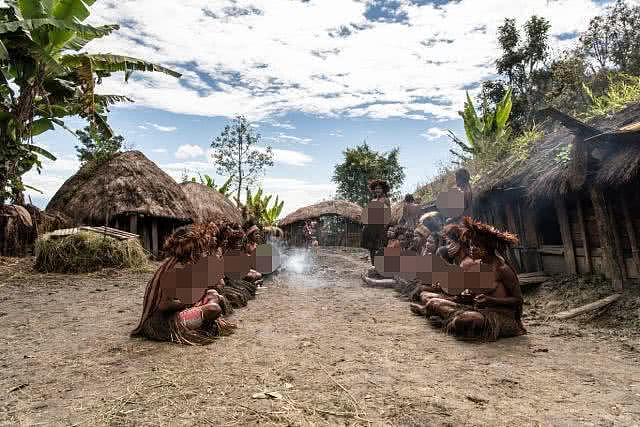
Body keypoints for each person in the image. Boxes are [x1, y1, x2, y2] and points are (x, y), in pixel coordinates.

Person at [423, 217, 526, 341]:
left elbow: (518, 300)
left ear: (487, 248)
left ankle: (449, 322)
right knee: (433, 303)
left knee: (463, 320)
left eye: (476, 245)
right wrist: (467, 296)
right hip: (479, 310)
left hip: (501, 316)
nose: (471, 248)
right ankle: (451, 322)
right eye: (471, 245)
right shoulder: (479, 266)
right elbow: (475, 295)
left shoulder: (502, 269)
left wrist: (490, 300)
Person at [131, 223, 235, 345]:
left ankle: (202, 324)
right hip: (160, 321)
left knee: (213, 294)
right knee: (213, 309)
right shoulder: (175, 269)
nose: (203, 252)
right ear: (191, 249)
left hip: (176, 309)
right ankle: (202, 327)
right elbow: (164, 305)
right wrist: (189, 303)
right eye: (200, 249)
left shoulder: (184, 264)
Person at [361, 179, 391, 266]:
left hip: (381, 227)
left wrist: (385, 227)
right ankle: (373, 266)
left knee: (381, 248)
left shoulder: (385, 200)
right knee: (372, 248)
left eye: (380, 188)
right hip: (371, 227)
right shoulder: (373, 200)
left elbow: (388, 214)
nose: (377, 190)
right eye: (376, 188)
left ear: (383, 189)